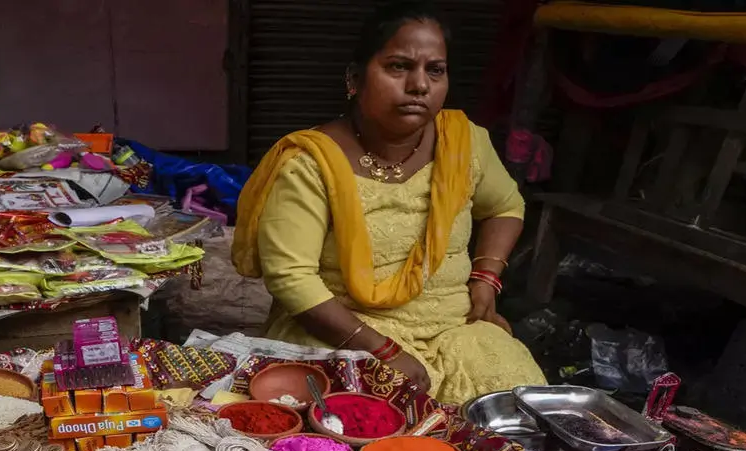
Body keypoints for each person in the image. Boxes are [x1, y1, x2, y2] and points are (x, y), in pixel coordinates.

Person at [233, 1, 546, 405]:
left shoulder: (463, 143)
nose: (419, 85)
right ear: (354, 78)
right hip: (346, 330)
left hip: (454, 326)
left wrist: (486, 279)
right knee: (368, 425)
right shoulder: (311, 163)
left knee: (520, 411)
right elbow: (292, 278)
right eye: (398, 66)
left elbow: (505, 207)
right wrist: (381, 350)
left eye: (435, 70)